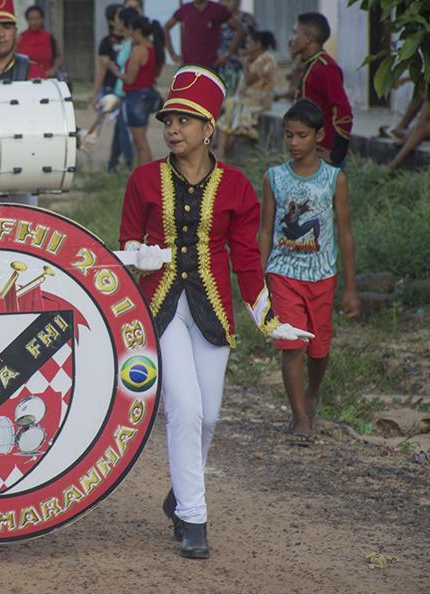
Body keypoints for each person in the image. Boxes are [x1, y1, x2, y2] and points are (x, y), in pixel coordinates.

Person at [118, 66, 312, 559]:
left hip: (212, 314)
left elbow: (247, 260)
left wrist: (270, 319)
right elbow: (127, 243)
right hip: (160, 311)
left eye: (185, 120)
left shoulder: (238, 188)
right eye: (169, 120)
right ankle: (195, 519)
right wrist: (139, 255)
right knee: (183, 407)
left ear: (209, 129)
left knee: (208, 418)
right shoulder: (142, 180)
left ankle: (182, 492)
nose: (173, 129)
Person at [258, 99, 358, 444]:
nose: (294, 143)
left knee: (319, 350)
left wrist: (350, 287)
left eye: (302, 135)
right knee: (292, 346)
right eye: (289, 135)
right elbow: (265, 230)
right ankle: (300, 417)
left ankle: (312, 392)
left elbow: (344, 232)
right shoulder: (274, 177)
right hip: (283, 274)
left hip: (322, 276)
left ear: (319, 136)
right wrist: (260, 281)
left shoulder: (334, 179)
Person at [289, 12, 352, 167]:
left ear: (309, 38)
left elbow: (343, 112)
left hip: (324, 157)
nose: (291, 39)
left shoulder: (325, 68)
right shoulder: (311, 64)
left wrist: (336, 154)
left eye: (295, 33)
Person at [215, 29, 277, 159]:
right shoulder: (260, 59)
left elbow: (249, 80)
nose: (246, 46)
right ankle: (221, 153)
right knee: (229, 119)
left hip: (256, 102)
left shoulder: (264, 59)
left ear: (258, 44)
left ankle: (220, 154)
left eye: (249, 43)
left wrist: (244, 64)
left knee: (231, 109)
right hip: (248, 100)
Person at [112, 14, 163, 167]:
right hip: (148, 94)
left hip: (136, 97)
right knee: (141, 141)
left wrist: (114, 70)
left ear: (138, 31)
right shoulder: (154, 48)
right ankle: (141, 175)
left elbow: (130, 79)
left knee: (140, 144)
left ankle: (148, 176)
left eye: (132, 31)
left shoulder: (139, 50)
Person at [93, 4, 133, 173]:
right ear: (111, 20)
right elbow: (102, 69)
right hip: (113, 88)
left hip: (127, 87)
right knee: (121, 125)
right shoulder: (107, 42)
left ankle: (113, 163)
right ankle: (126, 162)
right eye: (118, 16)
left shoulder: (130, 40)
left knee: (121, 127)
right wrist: (96, 93)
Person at [164, 0, 243, 71]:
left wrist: (227, 54)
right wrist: (172, 55)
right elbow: (166, 28)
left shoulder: (218, 9)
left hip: (212, 67)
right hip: (188, 67)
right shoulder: (185, 9)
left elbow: (240, 29)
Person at [215, 0, 255, 97]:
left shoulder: (248, 19)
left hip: (241, 67)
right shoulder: (216, 18)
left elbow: (257, 42)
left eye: (229, 1)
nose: (225, 4)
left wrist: (247, 53)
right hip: (220, 67)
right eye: (222, 1)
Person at [16, 5, 62, 78]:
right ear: (27, 19)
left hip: (47, 78)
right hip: (25, 79)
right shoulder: (20, 38)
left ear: (42, 19)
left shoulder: (50, 37)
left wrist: (53, 70)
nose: (34, 22)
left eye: (37, 18)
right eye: (32, 18)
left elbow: (58, 56)